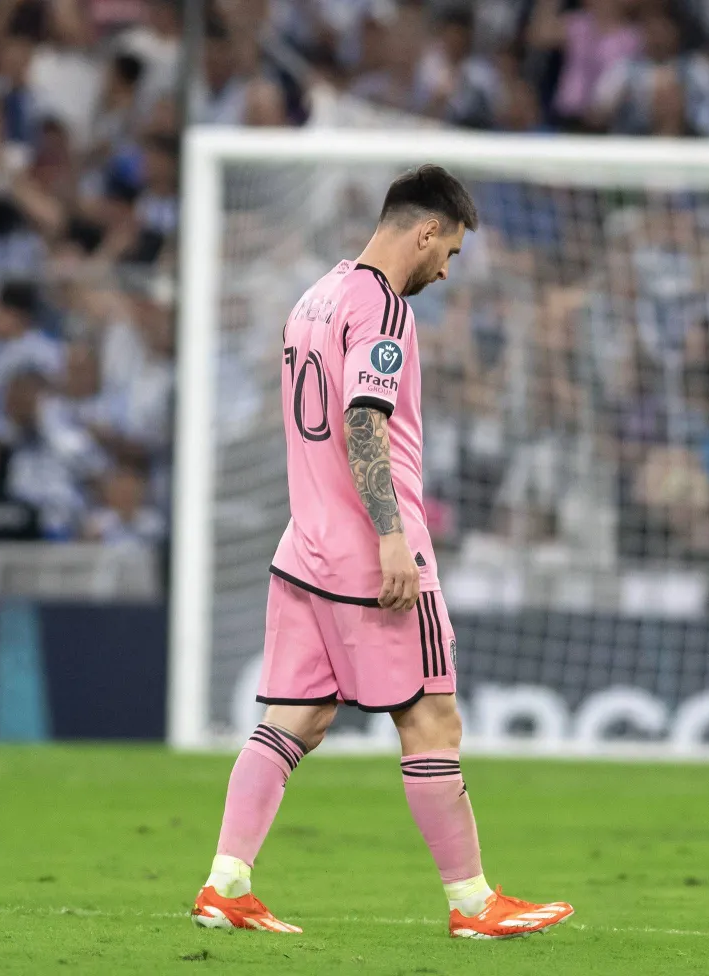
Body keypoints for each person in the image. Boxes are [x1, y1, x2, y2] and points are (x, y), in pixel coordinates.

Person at [191, 166, 574, 939]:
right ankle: (473, 904)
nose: (445, 267)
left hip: (305, 547)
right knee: (433, 718)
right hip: (372, 554)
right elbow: (364, 424)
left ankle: (225, 883)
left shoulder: (316, 296)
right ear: (426, 230)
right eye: (452, 251)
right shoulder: (383, 310)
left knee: (295, 717)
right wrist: (393, 538)